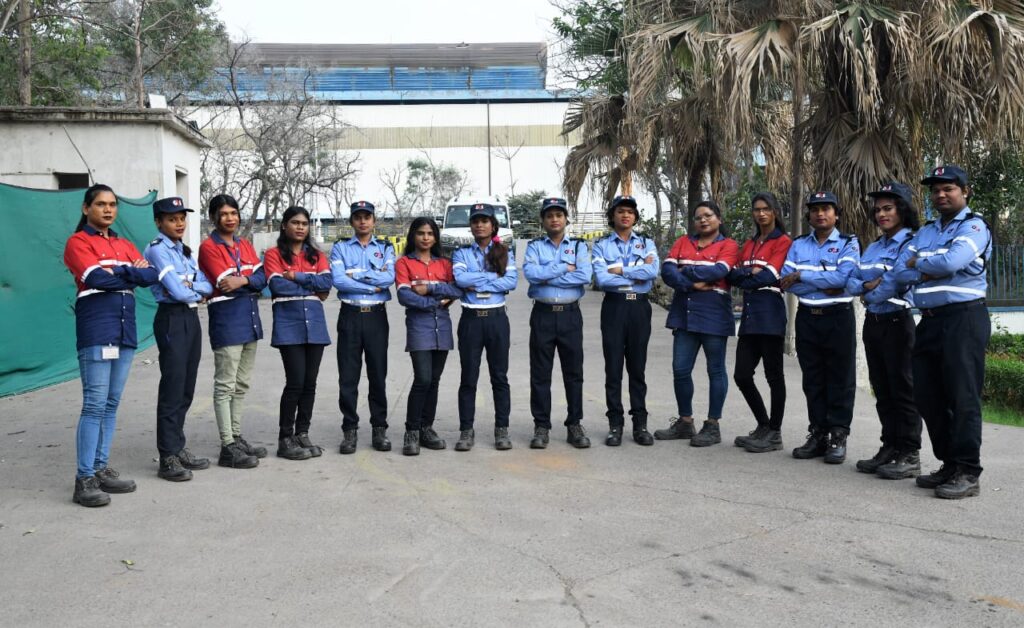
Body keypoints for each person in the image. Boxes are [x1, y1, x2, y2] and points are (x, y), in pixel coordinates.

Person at [890, 165, 991, 499]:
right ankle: (949, 463)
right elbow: (898, 272)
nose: (941, 195)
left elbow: (949, 263)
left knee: (962, 396)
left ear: (965, 191)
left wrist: (919, 264)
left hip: (964, 318)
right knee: (927, 395)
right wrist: (929, 267)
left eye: (948, 188)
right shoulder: (927, 231)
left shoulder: (974, 226)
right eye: (935, 190)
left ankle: (968, 470)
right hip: (930, 320)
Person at [63, 184, 159, 507]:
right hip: (97, 329)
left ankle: (100, 468)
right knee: (94, 404)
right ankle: (84, 479)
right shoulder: (78, 242)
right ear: (86, 208)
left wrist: (118, 270)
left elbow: (151, 276)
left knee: (111, 403)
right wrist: (130, 272)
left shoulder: (124, 243)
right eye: (101, 204)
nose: (108, 209)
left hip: (124, 331)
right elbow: (95, 278)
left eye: (113, 204)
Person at [846, 182, 922, 479]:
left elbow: (894, 283)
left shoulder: (911, 243)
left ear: (902, 209)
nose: (881, 214)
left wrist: (869, 292)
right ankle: (890, 446)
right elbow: (851, 281)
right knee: (883, 389)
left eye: (888, 208)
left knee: (903, 390)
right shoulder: (874, 246)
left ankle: (909, 452)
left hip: (898, 322)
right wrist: (868, 285)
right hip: (874, 323)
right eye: (877, 210)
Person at [780, 191, 860, 464]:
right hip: (807, 317)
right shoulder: (799, 244)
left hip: (838, 317)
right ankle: (818, 434)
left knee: (840, 379)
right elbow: (786, 281)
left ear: (836, 214)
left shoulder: (849, 243)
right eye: (815, 209)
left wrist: (802, 275)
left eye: (826, 208)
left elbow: (843, 279)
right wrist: (824, 282)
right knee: (813, 379)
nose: (820, 213)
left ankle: (838, 435)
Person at [655, 201, 739, 448]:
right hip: (684, 315)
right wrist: (692, 283)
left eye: (708, 215)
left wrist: (686, 271)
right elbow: (667, 271)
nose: (703, 220)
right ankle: (685, 422)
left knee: (715, 370)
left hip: (714, 316)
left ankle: (712, 425)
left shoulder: (729, 245)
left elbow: (720, 271)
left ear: (719, 219)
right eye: (698, 217)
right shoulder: (683, 242)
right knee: (680, 369)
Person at [144, 197, 214, 482]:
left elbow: (207, 285)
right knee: (172, 387)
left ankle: (177, 445)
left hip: (190, 317)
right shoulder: (158, 250)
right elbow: (178, 292)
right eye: (172, 219)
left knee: (186, 387)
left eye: (182, 218)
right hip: (171, 318)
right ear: (158, 222)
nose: (179, 223)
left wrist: (191, 286)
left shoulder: (183, 251)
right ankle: (167, 457)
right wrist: (192, 289)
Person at [197, 194, 268, 470]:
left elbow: (263, 279)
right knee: (225, 385)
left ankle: (236, 437)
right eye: (224, 214)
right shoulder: (208, 248)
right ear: (214, 217)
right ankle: (227, 445)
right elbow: (224, 283)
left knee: (241, 384)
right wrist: (248, 281)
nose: (230, 218)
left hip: (249, 320)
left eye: (234, 213)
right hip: (227, 322)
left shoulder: (245, 245)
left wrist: (244, 280)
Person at [522, 197, 593, 449]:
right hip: (542, 314)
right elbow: (531, 275)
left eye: (559, 215)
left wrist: (548, 275)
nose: (554, 219)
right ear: (543, 220)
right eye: (549, 215)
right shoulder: (534, 247)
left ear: (566, 219)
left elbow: (584, 276)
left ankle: (574, 424)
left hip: (570, 316)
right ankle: (541, 426)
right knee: (540, 373)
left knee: (574, 373)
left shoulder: (579, 246)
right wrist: (565, 267)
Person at [264, 206, 333, 461]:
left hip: (315, 325)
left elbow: (327, 283)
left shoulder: (317, 255)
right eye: (295, 222)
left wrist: (296, 276)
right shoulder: (273, 255)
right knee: (295, 382)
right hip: (288, 325)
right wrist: (311, 286)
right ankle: (285, 438)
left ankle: (302, 433)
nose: (301, 227)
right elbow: (276, 286)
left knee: (310, 383)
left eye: (304, 223)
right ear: (285, 225)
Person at [725, 193, 792, 453]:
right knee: (742, 375)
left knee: (774, 376)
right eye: (757, 209)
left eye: (766, 209)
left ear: (775, 211)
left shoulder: (783, 241)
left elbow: (769, 276)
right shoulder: (750, 243)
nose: (761, 213)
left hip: (771, 313)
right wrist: (749, 273)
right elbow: (732, 275)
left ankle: (775, 432)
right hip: (750, 315)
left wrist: (750, 275)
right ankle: (764, 425)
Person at [591, 195, 659, 447]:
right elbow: (602, 279)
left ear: (635, 216)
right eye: (620, 211)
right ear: (613, 215)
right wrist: (637, 272)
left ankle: (640, 424)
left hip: (639, 308)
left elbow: (652, 272)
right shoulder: (601, 245)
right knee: (613, 368)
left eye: (630, 211)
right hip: (614, 307)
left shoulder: (646, 242)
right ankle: (615, 425)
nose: (625, 215)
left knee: (637, 368)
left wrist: (620, 269)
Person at [329, 201, 396, 454]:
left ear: (374, 220)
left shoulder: (385, 247)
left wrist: (355, 276)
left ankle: (379, 428)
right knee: (348, 376)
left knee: (378, 374)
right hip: (350, 315)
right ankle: (350, 429)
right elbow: (338, 281)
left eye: (367, 217)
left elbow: (389, 278)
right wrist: (372, 285)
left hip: (376, 317)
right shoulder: (340, 247)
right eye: (358, 217)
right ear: (352, 221)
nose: (363, 221)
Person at [452, 203, 519, 451]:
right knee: (468, 377)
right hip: (471, 319)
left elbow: (511, 282)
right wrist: (494, 278)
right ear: (470, 226)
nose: (479, 225)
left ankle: (502, 429)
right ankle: (466, 430)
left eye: (484, 221)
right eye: (475, 221)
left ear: (493, 225)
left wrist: (477, 281)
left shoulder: (504, 252)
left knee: (499, 377)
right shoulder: (461, 253)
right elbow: (460, 279)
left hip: (496, 320)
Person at [394, 217, 463, 455]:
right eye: (421, 233)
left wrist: (430, 288)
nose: (425, 238)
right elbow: (404, 296)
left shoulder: (445, 263)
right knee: (422, 378)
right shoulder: (404, 263)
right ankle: (411, 431)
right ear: (413, 235)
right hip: (419, 327)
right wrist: (435, 302)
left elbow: (457, 289)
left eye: (430, 233)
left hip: (442, 327)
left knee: (434, 380)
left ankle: (426, 428)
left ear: (435, 237)